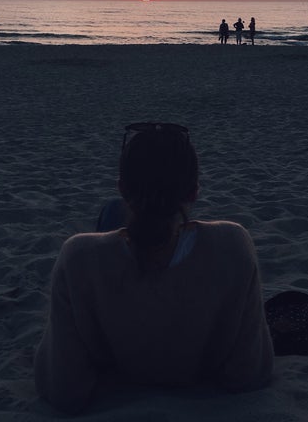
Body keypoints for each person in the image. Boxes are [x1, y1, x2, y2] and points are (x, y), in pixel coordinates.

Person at [34, 123, 274, 413]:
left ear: (123, 187)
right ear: (194, 192)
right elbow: (248, 374)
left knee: (111, 216)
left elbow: (64, 389)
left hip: (112, 314)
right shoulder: (233, 245)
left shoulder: (78, 257)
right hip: (197, 366)